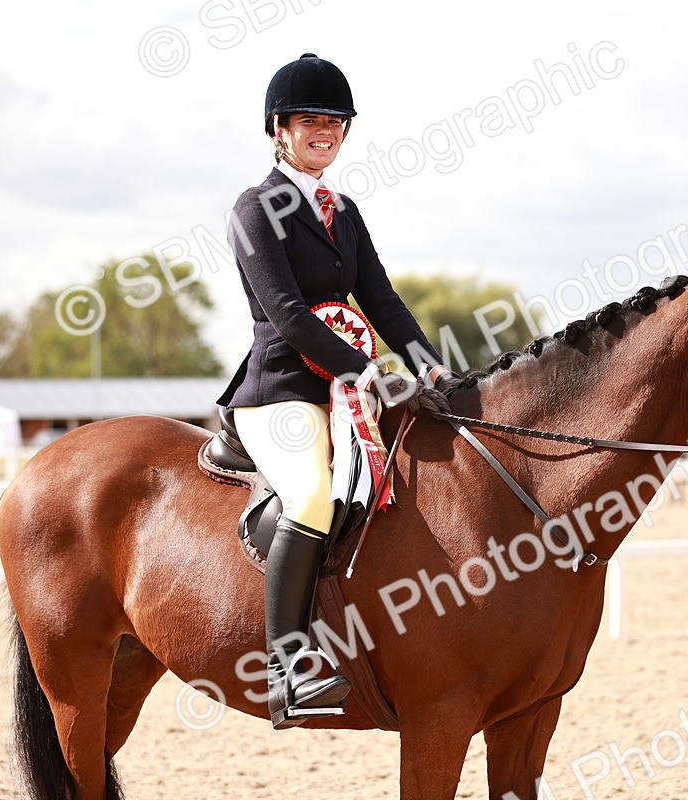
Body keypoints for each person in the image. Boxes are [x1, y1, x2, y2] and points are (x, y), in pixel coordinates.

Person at [216, 53, 461, 729]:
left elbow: (380, 298)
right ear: (279, 129)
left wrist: (431, 368)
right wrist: (367, 369)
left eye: (336, 121)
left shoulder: (343, 211)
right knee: (313, 494)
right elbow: (290, 315)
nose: (325, 130)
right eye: (311, 120)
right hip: (282, 390)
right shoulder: (254, 208)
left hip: (346, 389)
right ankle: (286, 664)